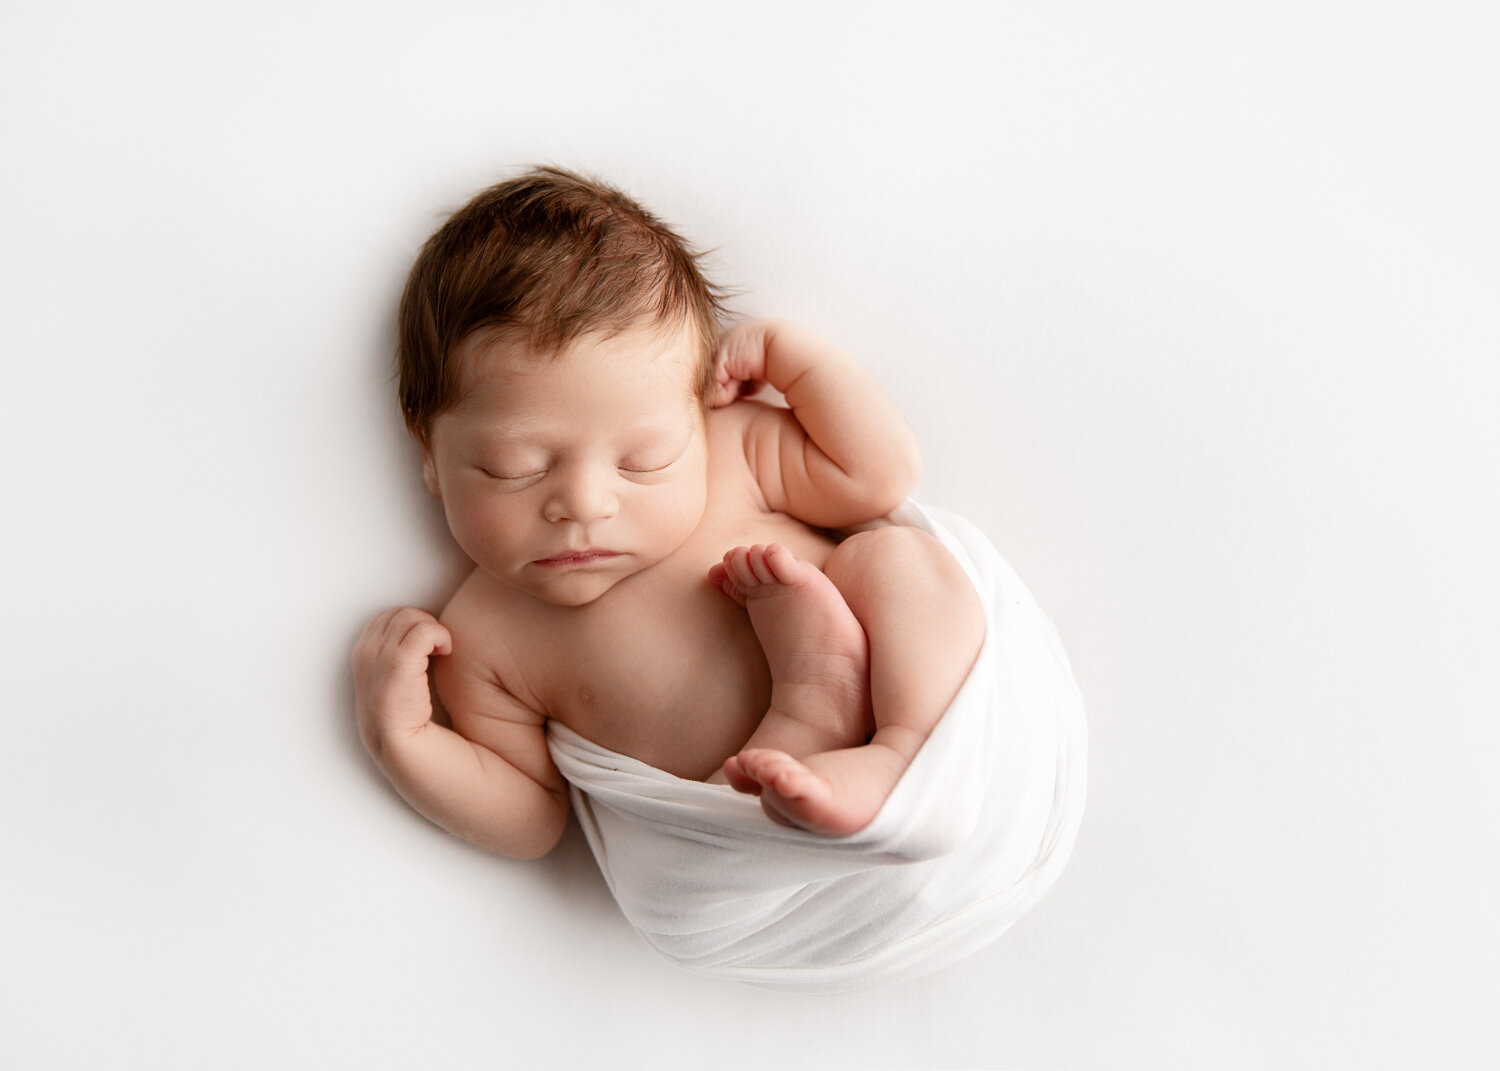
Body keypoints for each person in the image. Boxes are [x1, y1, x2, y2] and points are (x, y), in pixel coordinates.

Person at [352, 166, 985, 860]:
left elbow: (879, 476)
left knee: (897, 560)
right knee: (713, 840)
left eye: (644, 458)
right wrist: (404, 739)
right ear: (430, 457)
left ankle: (906, 748)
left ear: (693, 411)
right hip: (755, 810)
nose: (585, 503)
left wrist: (794, 361)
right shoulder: (484, 637)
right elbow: (531, 818)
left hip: (890, 696)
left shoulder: (729, 450)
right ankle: (808, 715)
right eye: (517, 468)